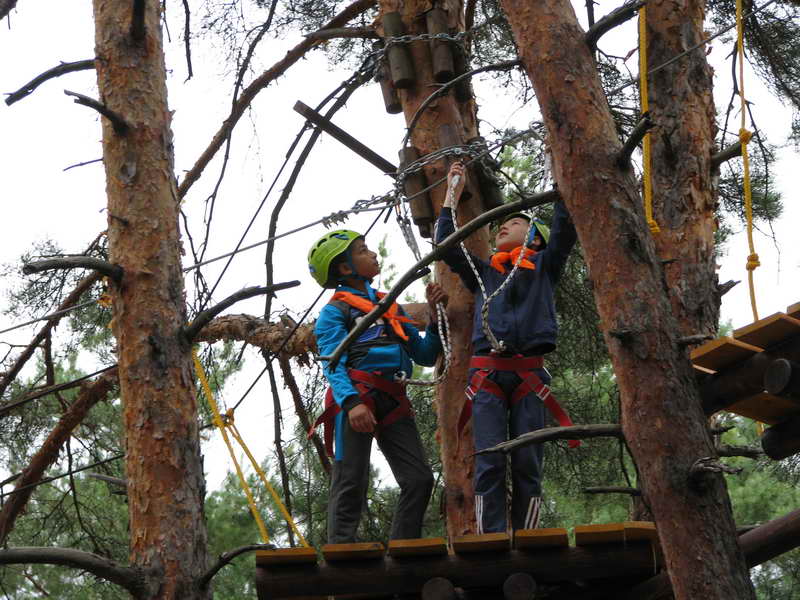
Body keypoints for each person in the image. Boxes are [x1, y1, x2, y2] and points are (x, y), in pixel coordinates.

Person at [434, 162, 578, 534]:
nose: (503, 225)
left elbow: (566, 223)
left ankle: (527, 535)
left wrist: (558, 168)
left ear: (536, 238)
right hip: (487, 377)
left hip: (529, 374)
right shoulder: (485, 274)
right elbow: (446, 244)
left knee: (528, 460)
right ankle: (491, 537)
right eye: (502, 222)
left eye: (515, 223)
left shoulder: (544, 265)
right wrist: (453, 190)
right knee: (490, 460)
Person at [308, 229, 448, 543]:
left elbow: (424, 354)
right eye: (363, 250)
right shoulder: (335, 312)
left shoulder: (389, 307)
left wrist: (436, 319)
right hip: (358, 398)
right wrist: (351, 403)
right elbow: (331, 362)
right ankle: (342, 555)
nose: (372, 254)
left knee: (419, 478)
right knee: (351, 480)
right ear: (345, 268)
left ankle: (404, 549)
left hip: (394, 400)